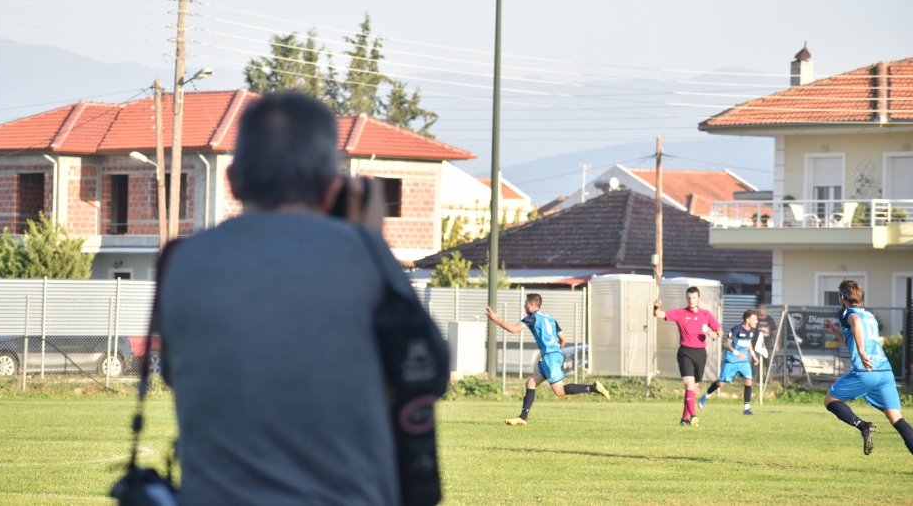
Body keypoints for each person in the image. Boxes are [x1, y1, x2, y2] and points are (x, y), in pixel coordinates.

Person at [158, 92, 449, 505]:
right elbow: (429, 369)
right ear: (331, 189)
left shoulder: (182, 261)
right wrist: (373, 239)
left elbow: (173, 371)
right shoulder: (363, 254)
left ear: (233, 181)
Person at [485, 294, 610, 426]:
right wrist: (555, 354)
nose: (524, 305)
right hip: (553, 356)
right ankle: (522, 417)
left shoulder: (532, 318)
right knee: (531, 383)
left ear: (532, 305)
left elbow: (514, 330)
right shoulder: (551, 319)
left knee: (559, 391)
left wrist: (495, 319)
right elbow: (563, 339)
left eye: (526, 303)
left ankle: (593, 387)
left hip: (550, 357)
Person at [822, 279, 913, 457]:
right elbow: (854, 337)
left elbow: (854, 321)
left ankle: (863, 426)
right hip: (885, 373)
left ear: (842, 297)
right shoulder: (869, 316)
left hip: (866, 371)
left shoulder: (849, 312)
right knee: (897, 418)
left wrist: (862, 352)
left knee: (830, 400)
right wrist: (835, 331)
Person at [653, 286, 721, 426]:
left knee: (693, 389)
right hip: (686, 352)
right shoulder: (680, 313)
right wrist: (655, 308)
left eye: (694, 298)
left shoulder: (706, 315)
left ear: (698, 298)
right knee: (688, 383)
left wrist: (715, 335)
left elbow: (719, 330)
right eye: (689, 298)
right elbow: (658, 315)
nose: (691, 300)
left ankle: (684, 419)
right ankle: (694, 416)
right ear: (686, 298)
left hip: (701, 354)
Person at [698, 309, 759, 415]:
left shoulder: (753, 331)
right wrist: (736, 353)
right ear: (747, 319)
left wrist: (753, 355)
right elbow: (726, 344)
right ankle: (706, 396)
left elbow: (748, 343)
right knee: (721, 383)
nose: (757, 321)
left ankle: (746, 409)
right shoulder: (736, 329)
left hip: (743, 361)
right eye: (754, 319)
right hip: (731, 361)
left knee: (749, 380)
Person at [754, 302, 778, 380]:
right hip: (756, 345)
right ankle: (757, 379)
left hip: (767, 344)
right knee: (757, 362)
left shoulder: (769, 319)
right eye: (761, 308)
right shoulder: (755, 319)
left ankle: (767, 379)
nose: (763, 310)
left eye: (765, 309)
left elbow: (774, 331)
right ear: (758, 309)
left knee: (767, 362)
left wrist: (776, 343)